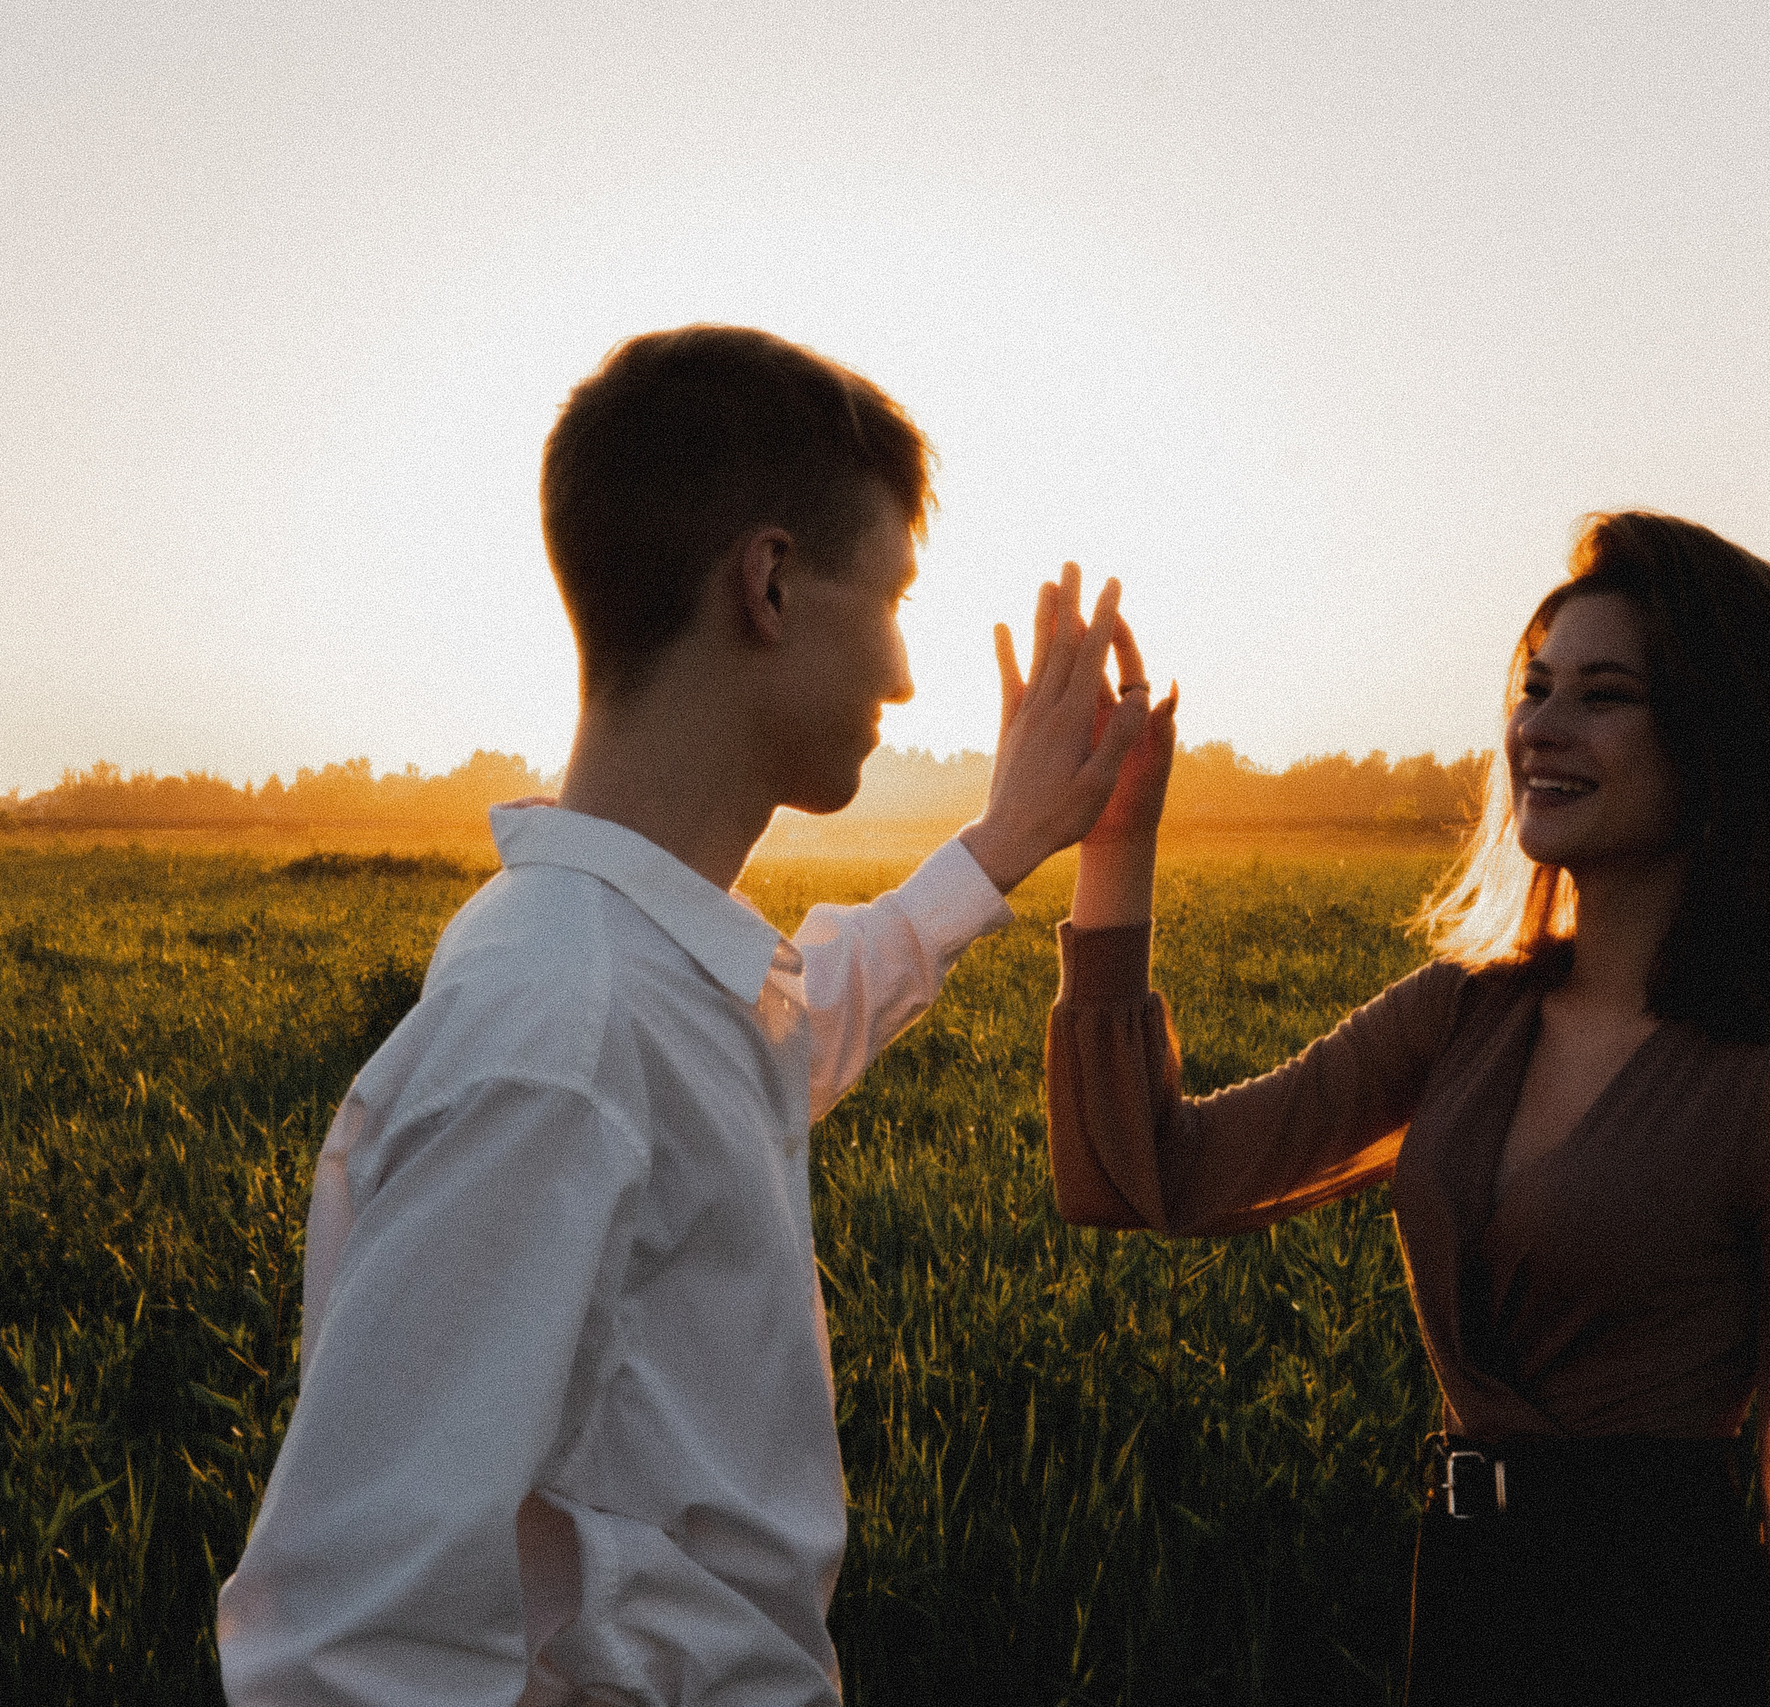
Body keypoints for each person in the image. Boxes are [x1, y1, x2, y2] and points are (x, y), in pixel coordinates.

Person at [217, 324, 1156, 1705]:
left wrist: (1001, 841)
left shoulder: (616, 966)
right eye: (891, 596)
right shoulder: (563, 1029)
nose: (904, 674)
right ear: (770, 580)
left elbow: (762, 1048)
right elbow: (347, 1645)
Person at [1045, 511, 1770, 1706]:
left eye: (1601, 695)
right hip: (1468, 1599)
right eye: (1534, 687)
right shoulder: (1457, 1021)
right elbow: (1145, 1176)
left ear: (1722, 741)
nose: (1539, 731)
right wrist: (1113, 843)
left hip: (1665, 1628)